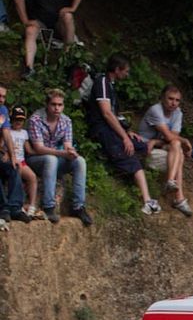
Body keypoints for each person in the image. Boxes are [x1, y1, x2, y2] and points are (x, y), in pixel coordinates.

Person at [86, 54, 162, 215]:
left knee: (142, 146)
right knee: (131, 156)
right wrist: (125, 137)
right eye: (125, 71)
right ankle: (147, 201)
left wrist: (127, 132)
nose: (127, 74)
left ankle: (130, 169)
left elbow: (114, 115)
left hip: (113, 130)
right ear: (117, 69)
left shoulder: (111, 85)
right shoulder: (102, 82)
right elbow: (107, 114)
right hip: (103, 131)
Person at [26, 88, 91, 225]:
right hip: (36, 160)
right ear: (47, 104)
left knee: (80, 161)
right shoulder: (35, 119)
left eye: (60, 105)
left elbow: (67, 144)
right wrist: (62, 153)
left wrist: (71, 152)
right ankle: (49, 206)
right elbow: (38, 148)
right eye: (53, 104)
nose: (57, 108)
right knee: (51, 159)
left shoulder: (66, 121)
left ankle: (78, 206)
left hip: (55, 159)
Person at [14, 0, 86, 78]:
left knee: (68, 16)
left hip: (59, 24)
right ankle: (29, 67)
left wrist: (73, 7)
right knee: (30, 30)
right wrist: (25, 21)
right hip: (40, 22)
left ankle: (67, 59)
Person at [138, 85, 193, 216]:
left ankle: (170, 182)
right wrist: (185, 140)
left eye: (177, 100)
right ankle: (179, 198)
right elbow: (169, 136)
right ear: (162, 98)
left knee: (176, 145)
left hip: (158, 146)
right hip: (144, 150)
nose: (174, 103)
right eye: (170, 99)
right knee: (180, 155)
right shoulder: (155, 110)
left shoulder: (177, 113)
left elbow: (173, 138)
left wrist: (156, 141)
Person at [8, 107, 40, 218]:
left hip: (22, 161)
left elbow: (28, 149)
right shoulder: (8, 131)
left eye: (21, 120)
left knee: (32, 177)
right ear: (11, 119)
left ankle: (32, 204)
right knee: (18, 174)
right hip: (12, 160)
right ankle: (19, 204)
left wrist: (39, 152)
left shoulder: (24, 133)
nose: (18, 122)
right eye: (16, 119)